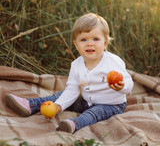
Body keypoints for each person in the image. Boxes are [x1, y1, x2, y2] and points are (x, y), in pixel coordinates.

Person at [5, 13, 134, 134]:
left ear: (105, 43)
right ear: (76, 45)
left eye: (96, 39)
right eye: (83, 40)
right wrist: (58, 107)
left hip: (111, 105)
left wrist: (122, 86)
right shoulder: (76, 65)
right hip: (84, 100)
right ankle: (30, 105)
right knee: (59, 96)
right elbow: (72, 90)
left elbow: (129, 82)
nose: (90, 43)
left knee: (95, 112)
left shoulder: (113, 62)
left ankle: (74, 124)